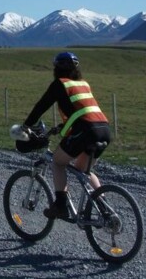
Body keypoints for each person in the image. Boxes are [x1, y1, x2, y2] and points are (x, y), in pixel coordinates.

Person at [22, 51, 111, 220]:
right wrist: (62, 127)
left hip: (85, 131)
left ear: (56, 68)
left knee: (57, 161)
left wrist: (26, 126)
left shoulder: (59, 84)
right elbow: (82, 111)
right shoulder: (83, 84)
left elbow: (41, 107)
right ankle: (104, 209)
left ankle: (61, 206)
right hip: (104, 129)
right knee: (84, 170)